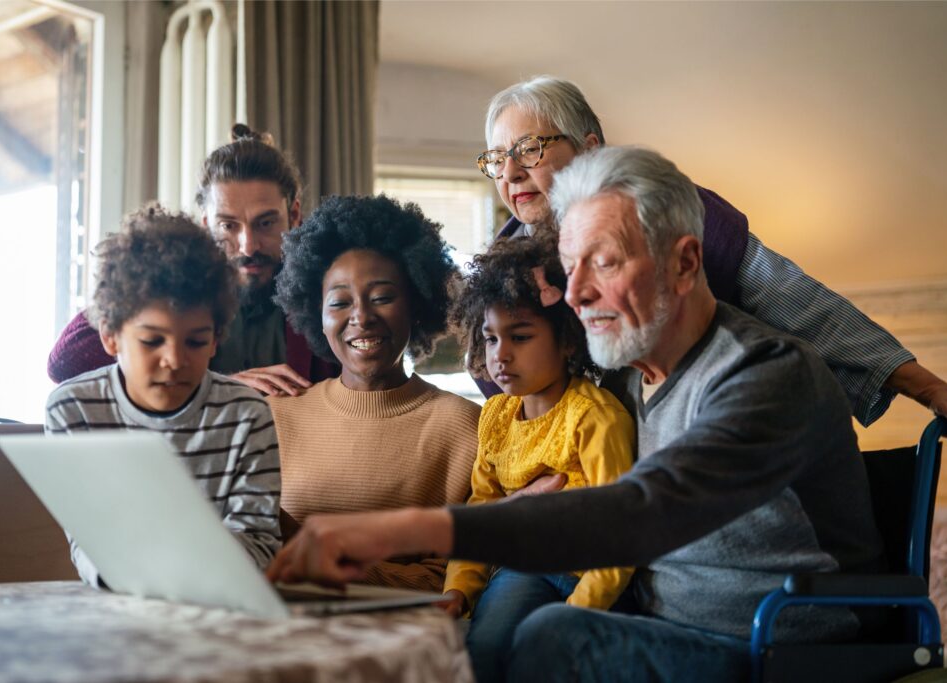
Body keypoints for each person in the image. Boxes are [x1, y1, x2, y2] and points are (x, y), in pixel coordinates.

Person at [267, 146, 888, 682]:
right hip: (670, 627)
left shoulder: (764, 373)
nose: (577, 293)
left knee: (549, 637)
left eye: (606, 261)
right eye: (572, 265)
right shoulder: (631, 379)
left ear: (686, 262)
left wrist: (403, 529)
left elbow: (648, 506)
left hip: (783, 650)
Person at [476, 76, 947, 431]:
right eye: (497, 159)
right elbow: (502, 390)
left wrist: (928, 387)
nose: (511, 172)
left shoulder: (666, 208)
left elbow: (798, 301)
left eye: (530, 148)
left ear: (590, 148)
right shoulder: (504, 267)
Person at [44, 206, 281, 587]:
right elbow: (88, 544)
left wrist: (180, 567)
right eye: (152, 340)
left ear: (217, 339)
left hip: (223, 603)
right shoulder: (73, 411)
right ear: (110, 336)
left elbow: (259, 543)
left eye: (196, 341)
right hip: (120, 600)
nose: (174, 360)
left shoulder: (247, 415)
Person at [442, 234, 635, 683]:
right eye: (490, 339)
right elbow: (482, 510)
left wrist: (574, 615)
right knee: (484, 652)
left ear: (569, 340)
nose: (500, 355)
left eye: (521, 337)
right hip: (524, 570)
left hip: (596, 577)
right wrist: (458, 589)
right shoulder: (496, 416)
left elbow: (622, 533)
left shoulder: (595, 417)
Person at [267, 194, 480, 591]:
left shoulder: (464, 428)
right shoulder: (275, 416)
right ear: (317, 314)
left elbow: (458, 580)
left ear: (416, 304)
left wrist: (340, 566)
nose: (361, 318)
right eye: (340, 302)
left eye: (382, 297)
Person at [46, 124, 338, 396]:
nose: (248, 246)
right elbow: (66, 363)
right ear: (205, 224)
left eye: (265, 223)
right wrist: (212, 388)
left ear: (295, 215)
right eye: (228, 226)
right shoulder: (178, 285)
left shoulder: (326, 295)